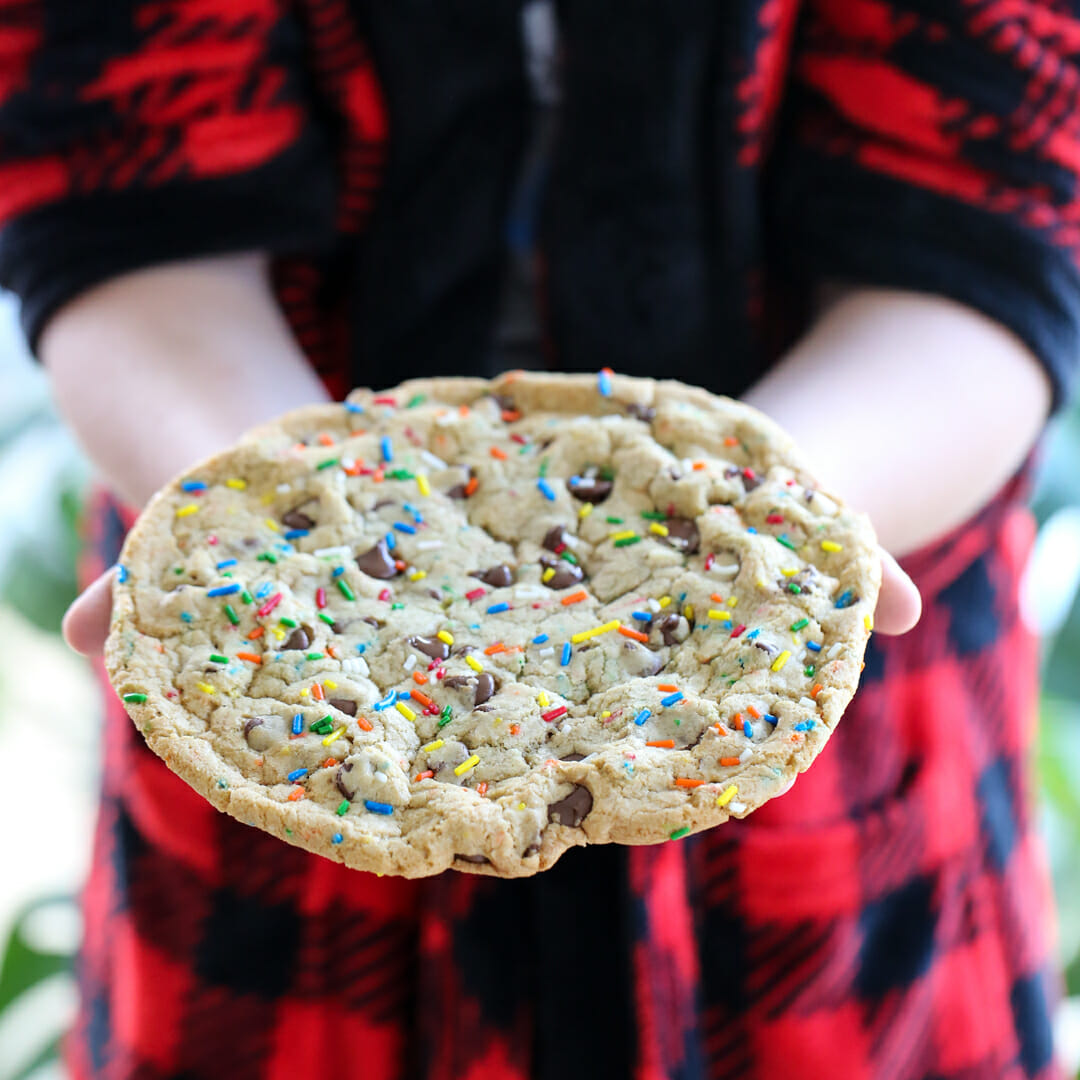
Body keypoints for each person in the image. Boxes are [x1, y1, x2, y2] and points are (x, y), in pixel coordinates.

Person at [0, 2, 1071, 1077]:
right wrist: (246, 522)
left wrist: (774, 525)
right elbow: (119, 201)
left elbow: (984, 234)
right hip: (289, 785)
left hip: (848, 798)